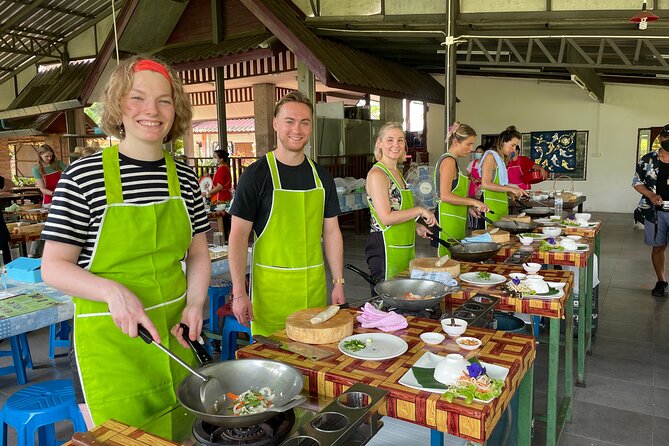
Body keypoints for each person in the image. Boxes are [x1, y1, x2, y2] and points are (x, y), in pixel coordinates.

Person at [40, 56, 211, 429]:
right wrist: (112, 291)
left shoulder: (184, 176)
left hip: (173, 336)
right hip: (110, 344)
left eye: (164, 100)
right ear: (118, 105)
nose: (152, 110)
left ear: (176, 109)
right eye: (138, 98)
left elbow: (198, 252)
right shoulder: (84, 175)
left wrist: (196, 303)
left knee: (181, 432)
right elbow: (53, 267)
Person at [228, 91, 345, 336]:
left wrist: (338, 281)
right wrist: (239, 293)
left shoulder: (322, 177)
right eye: (289, 121)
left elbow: (332, 231)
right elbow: (238, 236)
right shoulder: (256, 175)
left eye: (305, 122)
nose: (297, 129)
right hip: (271, 295)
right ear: (275, 124)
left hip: (312, 293)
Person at [365, 122, 436, 282]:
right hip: (384, 246)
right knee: (385, 301)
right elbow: (386, 218)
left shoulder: (397, 172)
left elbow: (397, 210)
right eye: (390, 140)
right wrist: (419, 210)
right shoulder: (378, 174)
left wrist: (416, 225)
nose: (395, 145)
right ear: (380, 143)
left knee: (402, 297)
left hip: (403, 245)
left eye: (400, 140)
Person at [433, 123, 488, 256]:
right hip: (446, 221)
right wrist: (473, 202)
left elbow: (454, 193)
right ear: (456, 142)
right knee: (448, 260)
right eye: (468, 144)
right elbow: (445, 195)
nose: (471, 149)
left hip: (454, 219)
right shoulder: (448, 161)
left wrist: (468, 208)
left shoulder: (454, 162)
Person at [632, 124, 669, 297]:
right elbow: (637, 182)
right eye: (666, 137)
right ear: (661, 138)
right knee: (658, 247)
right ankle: (661, 281)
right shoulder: (647, 160)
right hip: (655, 212)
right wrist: (650, 195)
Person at [479, 126, 529, 222]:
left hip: (499, 205)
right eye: (512, 145)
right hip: (488, 205)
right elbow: (486, 184)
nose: (514, 149)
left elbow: (499, 185)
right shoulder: (490, 157)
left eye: (516, 146)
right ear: (503, 142)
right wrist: (511, 188)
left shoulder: (500, 159)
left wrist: (509, 192)